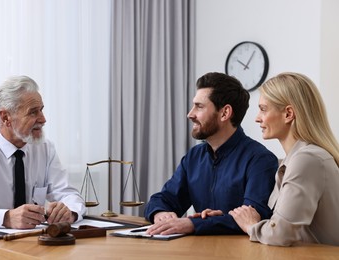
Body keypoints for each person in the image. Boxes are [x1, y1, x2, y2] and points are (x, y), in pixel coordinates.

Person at [144, 72, 278, 236]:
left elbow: (253, 217)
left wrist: (193, 224)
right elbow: (163, 199)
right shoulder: (193, 157)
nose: (190, 114)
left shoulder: (260, 160)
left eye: (199, 106)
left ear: (224, 113)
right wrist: (161, 213)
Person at [0, 75, 86, 229]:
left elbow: (69, 194)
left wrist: (70, 211)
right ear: (6, 117)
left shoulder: (45, 148)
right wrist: (5, 217)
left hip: (33, 242)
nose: (43, 119)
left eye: (41, 110)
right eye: (33, 112)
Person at [229, 72, 339, 246]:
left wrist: (251, 226)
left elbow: (280, 234)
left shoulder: (306, 160)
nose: (257, 118)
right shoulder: (298, 159)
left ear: (288, 114)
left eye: (263, 109)